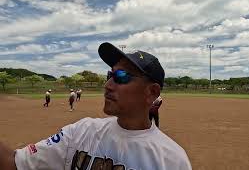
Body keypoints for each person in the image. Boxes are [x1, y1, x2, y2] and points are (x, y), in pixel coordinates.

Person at [0, 42, 192, 169]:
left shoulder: (172, 160)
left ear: (152, 92)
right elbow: (16, 163)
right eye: (110, 75)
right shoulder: (80, 132)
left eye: (121, 77)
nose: (108, 85)